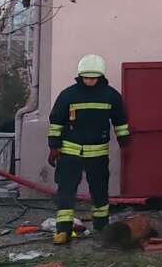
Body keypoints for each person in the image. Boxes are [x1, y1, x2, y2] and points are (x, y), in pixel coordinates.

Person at [48, 54, 129, 245]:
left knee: (100, 192)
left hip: (98, 154)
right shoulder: (68, 95)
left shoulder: (111, 95)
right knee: (66, 192)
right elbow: (56, 122)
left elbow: (121, 121)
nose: (90, 80)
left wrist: (125, 143)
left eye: (93, 77)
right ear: (80, 76)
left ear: (100, 76)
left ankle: (101, 228)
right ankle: (63, 231)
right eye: (86, 77)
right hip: (70, 153)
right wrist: (54, 146)